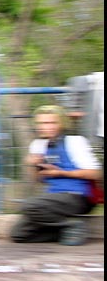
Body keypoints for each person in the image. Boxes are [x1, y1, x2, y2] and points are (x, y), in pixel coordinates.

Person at [10, 104, 101, 246]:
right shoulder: (38, 144)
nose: (45, 127)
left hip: (77, 196)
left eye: (50, 122)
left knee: (29, 206)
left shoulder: (75, 141)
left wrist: (60, 172)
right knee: (19, 234)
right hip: (54, 199)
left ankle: (72, 225)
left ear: (61, 123)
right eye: (41, 123)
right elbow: (39, 180)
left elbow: (95, 174)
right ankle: (65, 229)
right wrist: (32, 165)